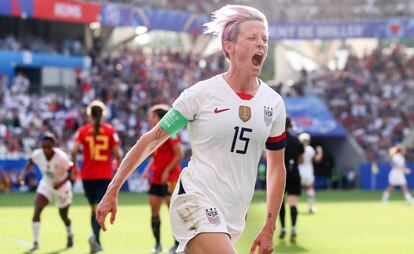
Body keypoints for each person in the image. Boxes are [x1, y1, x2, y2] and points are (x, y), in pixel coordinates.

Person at [96, 5, 287, 254]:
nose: (260, 44)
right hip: (194, 200)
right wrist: (112, 190)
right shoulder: (201, 94)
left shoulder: (274, 103)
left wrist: (269, 227)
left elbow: (276, 168)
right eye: (252, 38)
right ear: (229, 46)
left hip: (233, 215)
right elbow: (152, 140)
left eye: (264, 39)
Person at [71, 100, 121, 253]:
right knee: (99, 208)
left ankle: (95, 240)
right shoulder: (110, 130)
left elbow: (73, 151)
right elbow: (117, 153)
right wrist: (115, 164)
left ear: (89, 115)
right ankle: (95, 237)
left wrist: (74, 168)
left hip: (88, 175)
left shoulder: (83, 131)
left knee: (94, 209)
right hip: (104, 174)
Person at [18, 132, 75, 251]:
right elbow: (30, 163)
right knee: (37, 209)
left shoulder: (62, 157)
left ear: (53, 146)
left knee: (63, 216)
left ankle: (70, 233)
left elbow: (71, 171)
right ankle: (35, 241)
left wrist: (61, 182)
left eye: (48, 147)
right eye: (44, 147)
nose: (46, 150)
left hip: (62, 187)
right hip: (47, 185)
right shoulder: (38, 154)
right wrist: (23, 175)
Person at [141, 104, 183, 253]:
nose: (150, 119)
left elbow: (180, 154)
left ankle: (177, 244)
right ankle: (157, 244)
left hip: (169, 178)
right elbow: (156, 156)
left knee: (172, 211)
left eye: (153, 116)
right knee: (154, 211)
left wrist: (167, 171)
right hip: (156, 178)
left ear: (160, 118)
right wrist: (146, 170)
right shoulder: (155, 134)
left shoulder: (171, 133)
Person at [279, 117, 304, 244]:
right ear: (290, 126)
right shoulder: (296, 141)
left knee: (280, 203)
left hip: (280, 173)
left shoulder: (278, 139)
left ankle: (283, 228)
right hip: (294, 173)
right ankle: (293, 228)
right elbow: (301, 159)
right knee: (293, 202)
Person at [298, 133, 322, 213]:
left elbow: (299, 160)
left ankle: (294, 207)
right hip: (308, 171)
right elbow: (317, 160)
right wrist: (320, 152)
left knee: (296, 190)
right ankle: (311, 207)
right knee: (310, 189)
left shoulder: (298, 148)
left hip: (299, 170)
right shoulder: (310, 149)